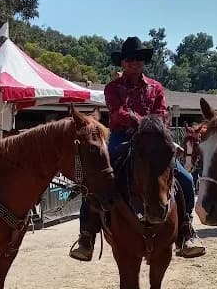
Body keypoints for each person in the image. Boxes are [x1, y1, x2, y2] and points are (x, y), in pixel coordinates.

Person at [69, 36, 206, 261]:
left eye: (139, 58)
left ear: (144, 61)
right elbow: (117, 113)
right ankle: (87, 235)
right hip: (122, 137)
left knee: (186, 179)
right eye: (131, 59)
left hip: (153, 139)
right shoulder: (113, 88)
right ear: (122, 63)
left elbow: (161, 114)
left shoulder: (156, 87)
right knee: (97, 178)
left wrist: (147, 125)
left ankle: (185, 230)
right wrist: (143, 121)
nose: (135, 62)